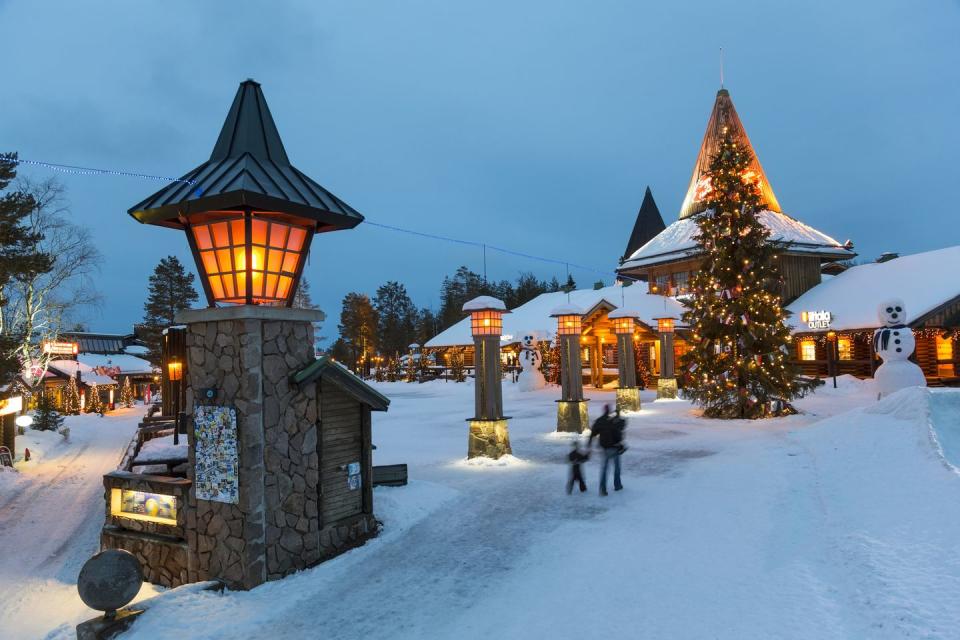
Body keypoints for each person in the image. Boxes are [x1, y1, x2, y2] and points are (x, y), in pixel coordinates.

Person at [588, 404, 625, 496]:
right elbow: (620, 429)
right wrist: (618, 416)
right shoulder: (613, 421)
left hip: (604, 448)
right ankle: (617, 485)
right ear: (609, 411)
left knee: (604, 469)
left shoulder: (599, 421)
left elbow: (593, 433)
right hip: (614, 447)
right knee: (617, 468)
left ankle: (602, 489)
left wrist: (589, 444)